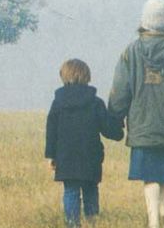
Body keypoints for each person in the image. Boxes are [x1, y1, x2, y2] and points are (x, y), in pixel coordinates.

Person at [108, 0, 164, 228]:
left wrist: (115, 119)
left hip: (142, 126)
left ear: (144, 21)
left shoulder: (130, 53)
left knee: (150, 176)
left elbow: (120, 90)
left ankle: (153, 221)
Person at [45, 59, 124, 227]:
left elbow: (51, 130)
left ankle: (72, 224)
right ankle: (92, 222)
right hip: (91, 156)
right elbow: (108, 129)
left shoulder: (58, 103)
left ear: (64, 76)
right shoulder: (95, 102)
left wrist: (51, 155)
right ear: (86, 76)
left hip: (65, 157)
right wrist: (118, 128)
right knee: (91, 190)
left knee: (71, 191)